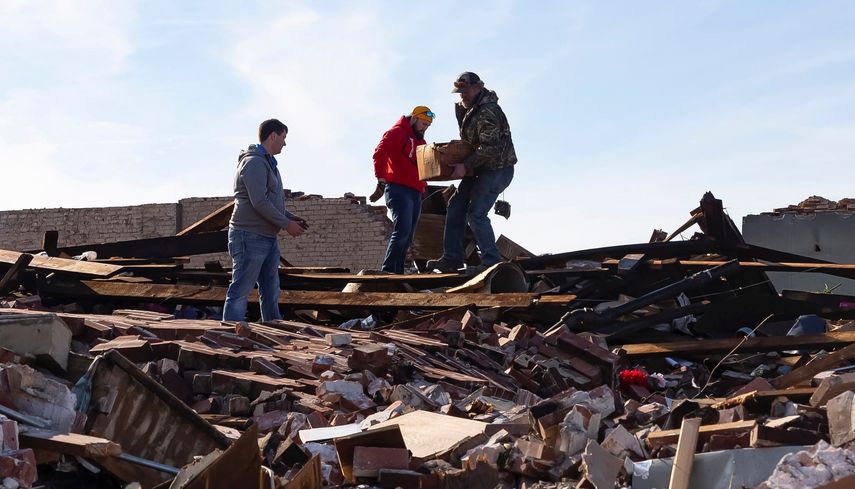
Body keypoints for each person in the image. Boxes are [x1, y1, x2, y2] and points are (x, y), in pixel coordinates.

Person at [426, 72, 517, 273]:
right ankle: (452, 259)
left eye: (466, 91)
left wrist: (465, 165)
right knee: (455, 206)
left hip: (497, 170)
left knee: (476, 213)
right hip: (479, 169)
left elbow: (490, 148)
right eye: (460, 92)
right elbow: (471, 144)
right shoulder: (470, 110)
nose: (462, 96)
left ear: (478, 88)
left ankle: (491, 261)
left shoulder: (488, 111)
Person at [223, 118, 307, 321]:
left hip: (267, 237)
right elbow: (259, 202)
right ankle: (229, 334)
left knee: (270, 291)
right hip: (249, 235)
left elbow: (269, 201)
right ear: (273, 136)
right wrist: (286, 224)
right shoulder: (254, 163)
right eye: (283, 137)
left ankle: (274, 330)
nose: (285, 143)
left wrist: (289, 217)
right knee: (241, 290)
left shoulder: (269, 164)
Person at [370, 106, 434, 274]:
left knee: (408, 235)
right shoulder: (397, 133)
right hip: (398, 189)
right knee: (402, 230)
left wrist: (424, 186)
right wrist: (381, 179)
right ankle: (388, 270)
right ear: (414, 118)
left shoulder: (421, 143)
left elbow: (424, 168)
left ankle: (397, 273)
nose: (425, 128)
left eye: (428, 126)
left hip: (415, 192)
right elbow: (380, 153)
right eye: (423, 124)